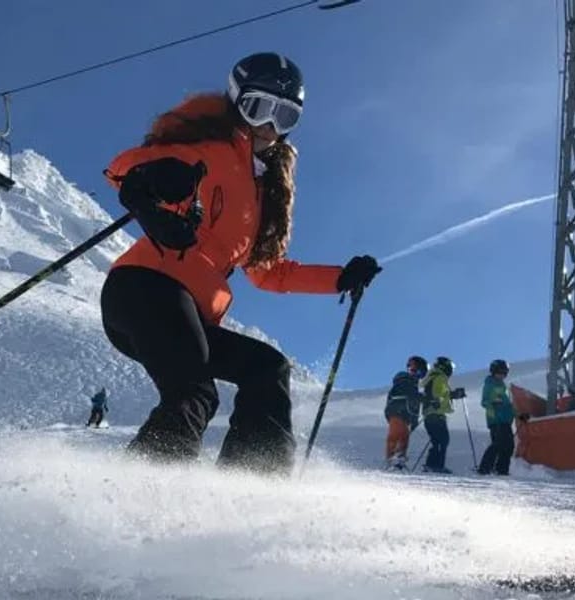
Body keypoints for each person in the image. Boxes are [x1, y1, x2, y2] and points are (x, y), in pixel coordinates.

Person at [99, 51, 382, 475]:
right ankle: (139, 490)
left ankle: (254, 482)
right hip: (145, 288)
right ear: (236, 103)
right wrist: (153, 178)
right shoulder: (210, 149)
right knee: (194, 392)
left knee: (267, 369)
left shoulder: (262, 194)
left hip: (190, 312)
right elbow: (124, 167)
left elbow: (269, 272)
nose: (269, 126)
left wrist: (339, 278)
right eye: (259, 108)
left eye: (284, 116)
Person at [421, 356, 466, 473]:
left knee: (438, 440)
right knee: (442, 440)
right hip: (436, 414)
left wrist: (454, 394)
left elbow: (442, 395)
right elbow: (439, 394)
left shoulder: (434, 377)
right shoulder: (440, 377)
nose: (451, 371)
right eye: (451, 368)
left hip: (431, 414)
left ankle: (432, 464)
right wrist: (437, 400)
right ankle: (436, 465)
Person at [384, 355, 428, 471]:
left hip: (405, 413)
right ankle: (393, 459)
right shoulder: (404, 379)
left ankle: (399, 459)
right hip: (397, 410)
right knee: (397, 433)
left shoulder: (413, 384)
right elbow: (407, 393)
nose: (415, 374)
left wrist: (414, 420)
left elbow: (414, 405)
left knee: (404, 435)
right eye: (412, 370)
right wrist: (420, 397)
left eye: (418, 372)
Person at [477, 359, 515, 475]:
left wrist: (519, 415)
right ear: (493, 372)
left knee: (509, 446)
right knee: (499, 443)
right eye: (500, 372)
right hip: (496, 419)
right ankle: (485, 468)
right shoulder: (490, 384)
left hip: (506, 420)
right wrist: (493, 402)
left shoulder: (502, 386)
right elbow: (484, 401)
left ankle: (502, 470)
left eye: (504, 373)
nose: (502, 375)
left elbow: (508, 405)